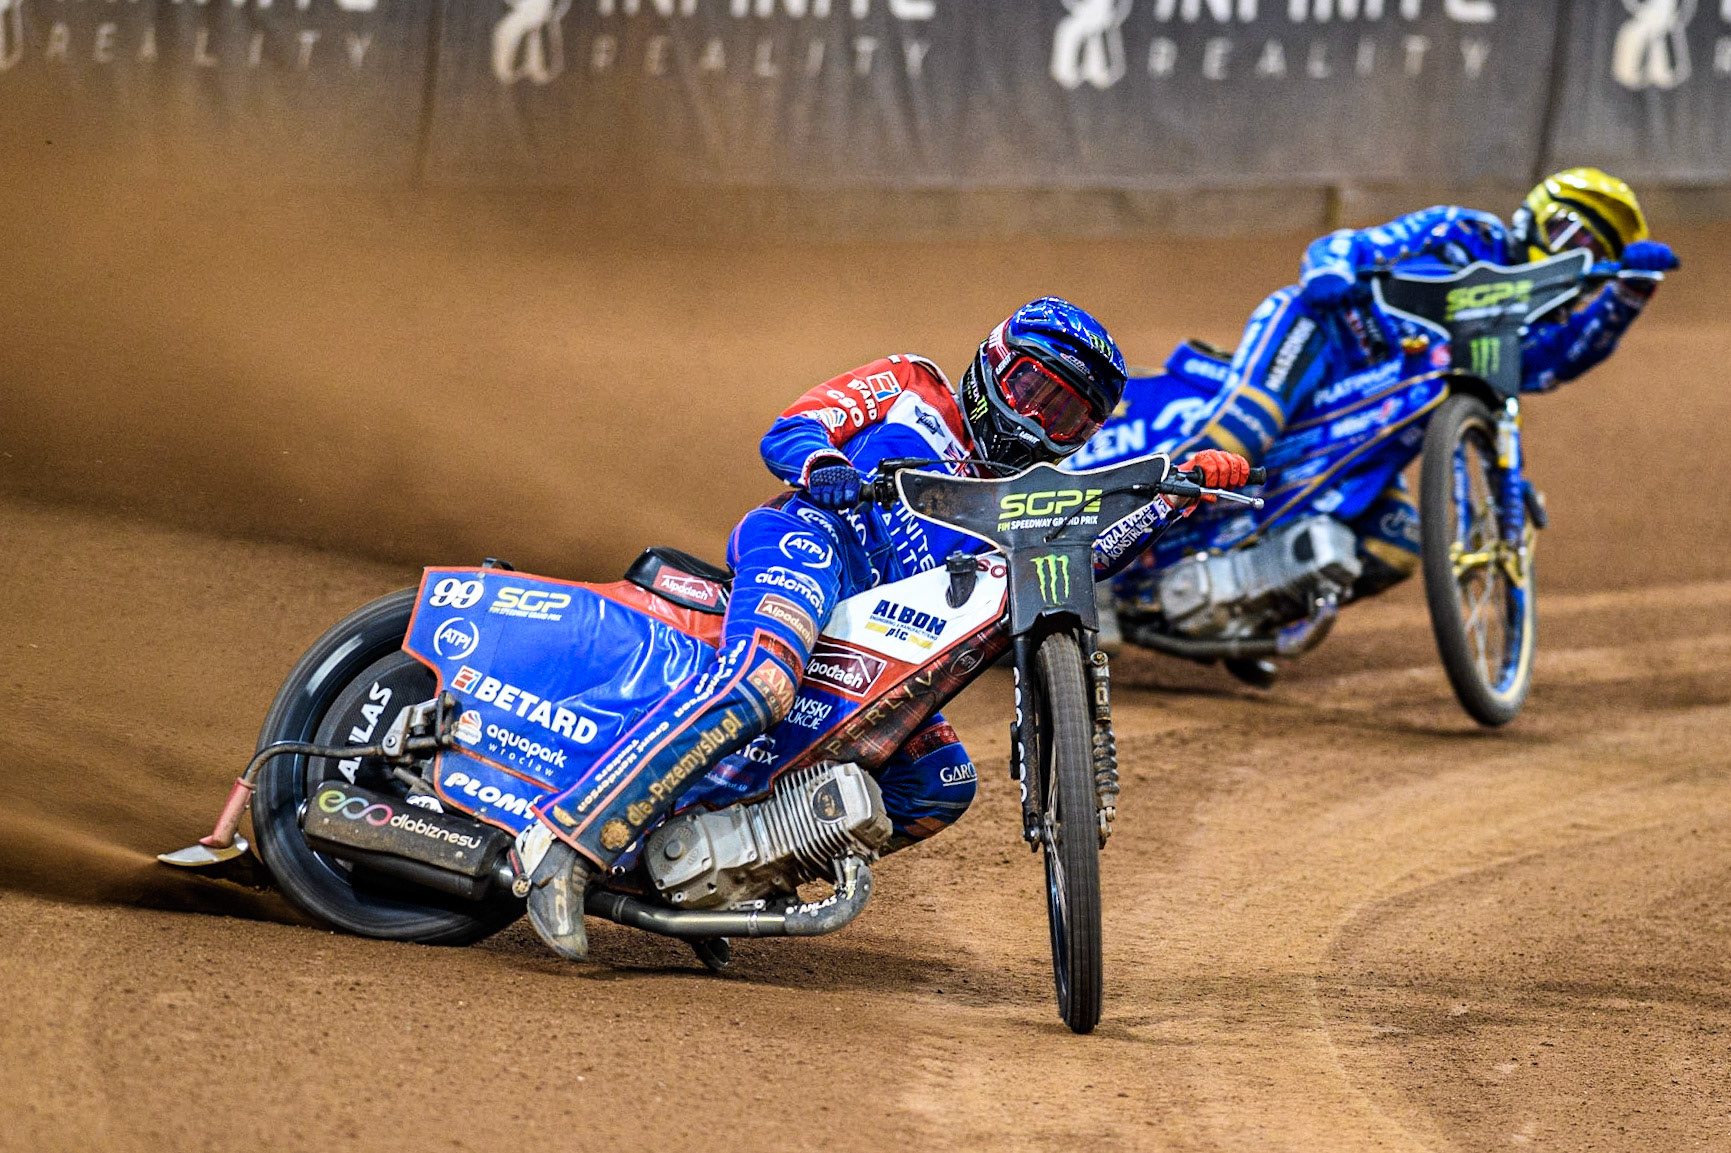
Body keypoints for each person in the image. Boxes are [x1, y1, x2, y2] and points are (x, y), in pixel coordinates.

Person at [518, 297, 1250, 960]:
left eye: (1065, 418)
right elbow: (794, 427)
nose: (1035, 424)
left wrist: (1174, 499)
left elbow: (1077, 562)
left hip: (889, 637)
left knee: (940, 783)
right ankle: (567, 844)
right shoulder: (911, 385)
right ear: (993, 363)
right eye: (1032, 391)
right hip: (813, 542)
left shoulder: (1021, 496)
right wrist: (824, 462)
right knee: (762, 682)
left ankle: (721, 887)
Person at [1105, 167, 1678, 677]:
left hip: (1369, 415)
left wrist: (1627, 295)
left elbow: (1556, 363)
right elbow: (1352, 244)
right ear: (1534, 219)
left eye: (1588, 248)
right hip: (1319, 334)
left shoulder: (1522, 329)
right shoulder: (1467, 233)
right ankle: (1094, 553)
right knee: (1239, 437)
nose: (1570, 250)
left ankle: (1236, 619)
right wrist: (1331, 271)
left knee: (1396, 544)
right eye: (1568, 233)